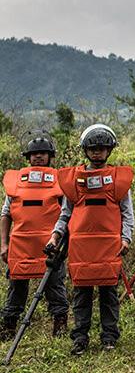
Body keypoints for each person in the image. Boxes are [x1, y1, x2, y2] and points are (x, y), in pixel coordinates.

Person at [46, 124, 134, 355]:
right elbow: (65, 213)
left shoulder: (117, 179)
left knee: (108, 294)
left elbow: (127, 212)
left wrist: (126, 238)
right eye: (92, 148)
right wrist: (55, 237)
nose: (97, 152)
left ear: (109, 150)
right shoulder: (74, 180)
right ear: (85, 150)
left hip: (109, 247)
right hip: (80, 247)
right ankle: (80, 337)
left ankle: (109, 337)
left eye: (102, 148)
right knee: (82, 294)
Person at [1, 131, 68, 339]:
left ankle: (60, 327)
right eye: (34, 153)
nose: (38, 156)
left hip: (50, 245)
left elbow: (67, 214)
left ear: (50, 156)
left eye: (43, 153)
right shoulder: (16, 183)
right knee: (16, 287)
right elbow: (5, 214)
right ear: (28, 157)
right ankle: (8, 327)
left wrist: (62, 243)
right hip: (20, 245)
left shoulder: (60, 181)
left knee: (55, 286)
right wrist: (3, 245)